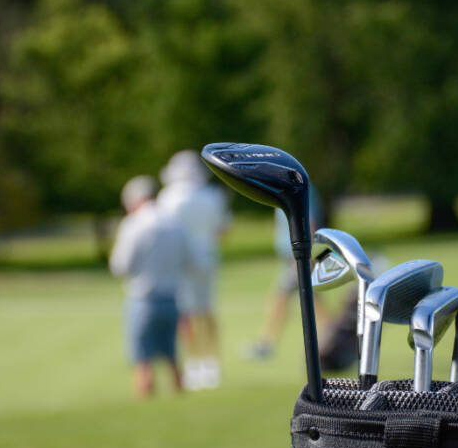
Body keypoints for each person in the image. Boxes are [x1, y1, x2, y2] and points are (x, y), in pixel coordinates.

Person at [109, 175, 197, 397]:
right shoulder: (174, 223)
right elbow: (188, 259)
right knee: (172, 357)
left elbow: (120, 265)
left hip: (143, 298)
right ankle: (181, 398)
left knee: (143, 361)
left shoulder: (134, 224)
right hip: (172, 297)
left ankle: (146, 403)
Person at [158, 150, 231, 390]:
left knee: (186, 315)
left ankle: (194, 364)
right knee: (207, 310)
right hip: (208, 258)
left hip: (181, 261)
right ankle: (211, 365)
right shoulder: (212, 196)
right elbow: (223, 231)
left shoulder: (167, 198)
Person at [247, 186, 330, 359]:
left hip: (299, 257)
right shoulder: (284, 191)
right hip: (292, 257)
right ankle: (332, 338)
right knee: (308, 299)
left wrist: (309, 253)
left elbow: (310, 222)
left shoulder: (300, 190)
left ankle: (266, 344)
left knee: (285, 298)